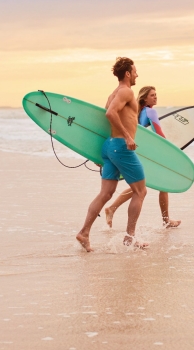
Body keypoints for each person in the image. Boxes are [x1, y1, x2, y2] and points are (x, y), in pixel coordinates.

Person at [76, 57, 148, 252]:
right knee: (141, 191)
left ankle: (84, 232)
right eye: (134, 71)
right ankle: (129, 238)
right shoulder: (126, 91)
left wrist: (104, 155)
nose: (137, 75)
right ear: (127, 73)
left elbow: (104, 121)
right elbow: (110, 115)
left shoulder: (113, 94)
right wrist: (127, 137)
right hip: (121, 147)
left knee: (106, 193)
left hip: (110, 147)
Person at [104, 86, 181, 229]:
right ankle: (165, 220)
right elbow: (158, 132)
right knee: (151, 186)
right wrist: (171, 150)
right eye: (152, 95)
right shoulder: (151, 111)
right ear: (145, 98)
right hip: (148, 152)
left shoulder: (138, 111)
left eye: (156, 94)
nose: (155, 97)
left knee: (140, 186)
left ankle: (113, 208)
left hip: (138, 149)